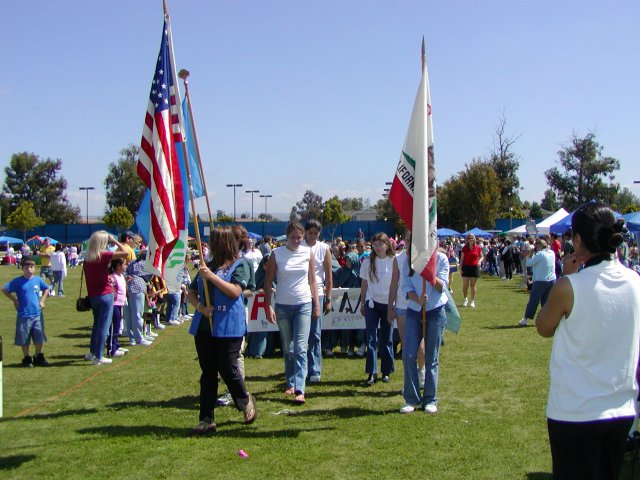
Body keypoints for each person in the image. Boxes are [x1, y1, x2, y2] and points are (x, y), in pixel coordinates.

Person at [536, 203, 640, 480]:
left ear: (578, 241)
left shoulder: (569, 286)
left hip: (575, 410)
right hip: (621, 409)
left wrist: (565, 278)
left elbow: (543, 327)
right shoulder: (635, 281)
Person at [187, 226, 257, 433]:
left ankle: (244, 400)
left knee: (228, 367)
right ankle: (206, 418)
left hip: (228, 324)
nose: (211, 245)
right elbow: (191, 292)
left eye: (215, 241)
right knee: (208, 372)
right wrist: (200, 306)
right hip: (204, 325)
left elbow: (235, 291)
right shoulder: (206, 267)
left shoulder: (240, 264)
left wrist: (213, 277)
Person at [264, 221, 319, 405]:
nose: (296, 240)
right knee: (288, 347)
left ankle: (300, 389)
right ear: (286, 237)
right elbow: (268, 281)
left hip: (304, 303)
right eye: (293, 237)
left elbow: (312, 280)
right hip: (282, 305)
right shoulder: (276, 254)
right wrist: (268, 305)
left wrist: (316, 304)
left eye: (299, 237)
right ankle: (290, 381)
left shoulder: (307, 253)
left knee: (300, 348)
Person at [398, 245, 449, 414]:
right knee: (408, 354)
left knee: (431, 357)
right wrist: (417, 299)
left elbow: (442, 287)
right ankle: (411, 398)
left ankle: (430, 399)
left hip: (435, 310)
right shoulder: (408, 260)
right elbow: (406, 286)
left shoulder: (441, 259)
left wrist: (429, 273)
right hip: (414, 310)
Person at [83, 231, 129, 365]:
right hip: (105, 293)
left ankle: (92, 352)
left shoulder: (87, 257)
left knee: (96, 325)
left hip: (93, 295)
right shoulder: (103, 255)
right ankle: (99, 356)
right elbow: (124, 253)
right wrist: (114, 241)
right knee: (104, 326)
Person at [360, 232, 395, 385]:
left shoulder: (394, 261)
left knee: (387, 338)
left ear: (387, 244)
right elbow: (364, 284)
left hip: (388, 304)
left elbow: (396, 284)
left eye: (380, 244)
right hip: (372, 303)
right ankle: (372, 372)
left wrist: (392, 305)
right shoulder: (367, 262)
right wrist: (362, 302)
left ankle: (386, 371)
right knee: (371, 338)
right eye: (375, 244)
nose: (377, 247)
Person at [2, 258, 50, 367]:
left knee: (39, 336)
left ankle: (38, 356)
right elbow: (4, 289)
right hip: (24, 314)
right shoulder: (18, 281)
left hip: (37, 314)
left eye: (31, 267)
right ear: (22, 269)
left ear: (34, 268)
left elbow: (46, 289)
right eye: (26, 268)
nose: (29, 270)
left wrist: (42, 301)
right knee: (24, 337)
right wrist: (15, 300)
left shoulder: (38, 280)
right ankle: (27, 357)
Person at [302, 219, 333, 380]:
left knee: (315, 334)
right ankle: (300, 368)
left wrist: (328, 298)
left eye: (315, 233)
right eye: (310, 233)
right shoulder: (299, 247)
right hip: (300, 293)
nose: (312, 236)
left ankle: (315, 369)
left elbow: (329, 275)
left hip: (318, 294)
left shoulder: (324, 248)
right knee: (300, 335)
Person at [518, 238, 556, 327]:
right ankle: (547, 319)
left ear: (538, 246)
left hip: (541, 280)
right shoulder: (551, 253)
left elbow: (529, 263)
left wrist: (531, 253)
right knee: (546, 302)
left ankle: (525, 319)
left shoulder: (540, 254)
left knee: (533, 301)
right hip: (551, 280)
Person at [106, 258, 128, 357]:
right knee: (114, 328)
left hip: (120, 304)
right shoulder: (112, 277)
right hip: (114, 305)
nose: (126, 266)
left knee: (118, 327)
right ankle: (111, 349)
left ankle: (116, 345)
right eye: (124, 264)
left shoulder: (121, 276)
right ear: (119, 266)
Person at [460, 234, 483, 308]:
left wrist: (479, 261)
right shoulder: (464, 248)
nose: (470, 239)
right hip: (466, 267)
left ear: (474, 239)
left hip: (474, 267)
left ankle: (472, 301)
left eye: (472, 238)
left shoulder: (478, 248)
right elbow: (462, 259)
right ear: (467, 239)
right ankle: (465, 299)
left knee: (473, 285)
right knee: (465, 285)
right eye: (469, 238)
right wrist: (460, 268)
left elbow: (482, 256)